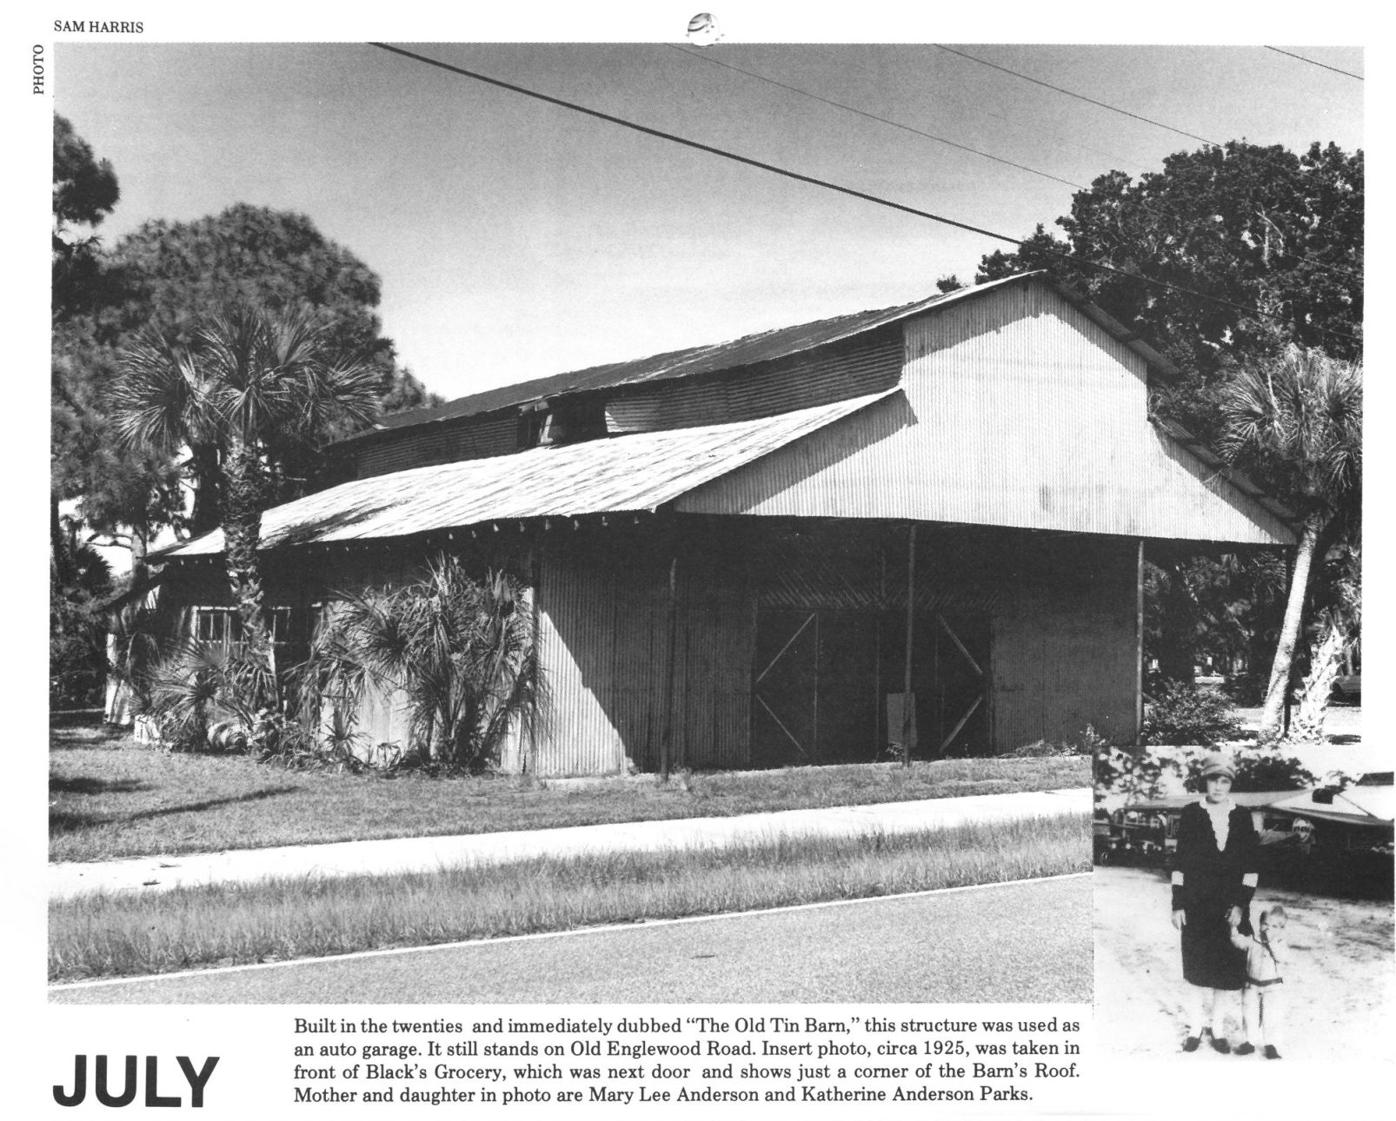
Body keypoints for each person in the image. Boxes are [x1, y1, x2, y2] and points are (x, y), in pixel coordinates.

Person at [1171, 751, 1259, 1053]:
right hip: (1197, 908)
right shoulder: (1191, 814)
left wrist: (1240, 906)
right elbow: (1179, 864)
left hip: (1230, 911)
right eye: (1213, 780)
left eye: (1224, 781)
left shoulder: (1243, 816)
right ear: (1204, 782)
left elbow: (1251, 869)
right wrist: (1177, 904)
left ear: (1231, 784)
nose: (1218, 787)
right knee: (1197, 971)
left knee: (1224, 974)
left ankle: (1218, 1029)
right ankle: (1195, 1028)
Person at [1229, 905, 1288, 1059]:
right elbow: (1239, 942)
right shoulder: (1254, 939)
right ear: (1260, 924)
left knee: (1271, 1015)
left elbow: (1282, 958)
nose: (1268, 929)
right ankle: (1249, 1041)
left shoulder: (1280, 942)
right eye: (1265, 924)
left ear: (1281, 929)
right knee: (1249, 1013)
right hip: (1252, 985)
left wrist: (1272, 943)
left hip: (1272, 987)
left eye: (1274, 926)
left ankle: (1271, 1044)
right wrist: (1233, 930)